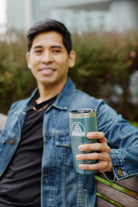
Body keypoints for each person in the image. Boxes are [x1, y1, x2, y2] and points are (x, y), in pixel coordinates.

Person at [0, 19, 137, 207]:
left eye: (56, 50)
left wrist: (111, 160)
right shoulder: (18, 108)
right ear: (29, 59)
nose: (46, 58)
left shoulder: (90, 109)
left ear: (71, 58)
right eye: (39, 51)